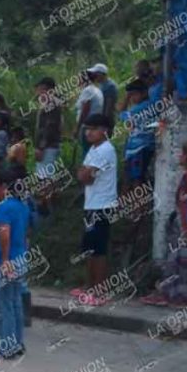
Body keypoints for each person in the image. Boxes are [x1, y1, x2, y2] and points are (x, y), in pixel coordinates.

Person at [0, 168, 30, 359]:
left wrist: (4, 261)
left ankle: (6, 346)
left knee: (5, 305)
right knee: (15, 301)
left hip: (6, 261)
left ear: (4, 187)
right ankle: (17, 343)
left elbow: (4, 232)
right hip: (19, 258)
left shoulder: (4, 207)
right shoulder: (22, 206)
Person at [142, 141, 187, 307]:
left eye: (182, 153)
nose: (180, 156)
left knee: (180, 262)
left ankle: (176, 296)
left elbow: (186, 203)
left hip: (186, 224)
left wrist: (186, 226)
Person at [73, 114, 117, 305]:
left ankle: (100, 291)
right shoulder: (93, 148)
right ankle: (89, 287)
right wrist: (83, 172)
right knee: (90, 248)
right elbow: (83, 173)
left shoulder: (105, 150)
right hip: (92, 204)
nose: (88, 132)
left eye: (93, 129)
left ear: (104, 131)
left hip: (102, 205)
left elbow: (85, 177)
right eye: (87, 128)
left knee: (98, 250)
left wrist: (83, 172)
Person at [121, 80, 156, 187]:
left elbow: (123, 115)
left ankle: (139, 203)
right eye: (130, 95)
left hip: (140, 148)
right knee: (132, 177)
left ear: (144, 93)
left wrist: (126, 100)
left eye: (134, 94)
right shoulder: (140, 106)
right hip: (135, 148)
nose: (132, 98)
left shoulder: (143, 107)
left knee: (137, 178)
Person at [34, 77, 63, 180]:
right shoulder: (50, 103)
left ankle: (49, 195)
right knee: (45, 177)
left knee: (46, 178)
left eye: (41, 89)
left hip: (48, 147)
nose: (38, 93)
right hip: (48, 146)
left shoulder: (51, 103)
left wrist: (41, 147)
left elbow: (49, 127)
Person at [74, 70, 104, 156]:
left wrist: (77, 127)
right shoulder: (97, 90)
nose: (77, 82)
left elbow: (85, 110)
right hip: (97, 126)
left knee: (87, 153)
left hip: (87, 127)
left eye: (79, 79)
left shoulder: (87, 91)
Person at [88, 63, 118, 135]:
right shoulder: (102, 85)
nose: (94, 76)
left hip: (106, 120)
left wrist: (103, 122)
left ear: (101, 74)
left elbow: (109, 106)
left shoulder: (110, 86)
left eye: (96, 74)